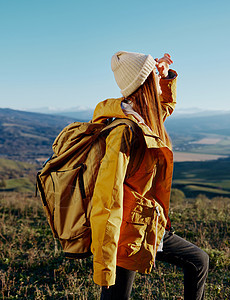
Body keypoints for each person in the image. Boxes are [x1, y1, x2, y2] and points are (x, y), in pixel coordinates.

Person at [89, 51, 209, 300]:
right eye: (152, 72)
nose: (156, 73)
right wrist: (106, 260)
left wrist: (166, 78)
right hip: (126, 233)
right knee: (197, 262)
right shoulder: (125, 131)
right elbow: (107, 198)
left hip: (146, 224)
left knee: (198, 261)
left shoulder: (146, 117)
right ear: (143, 83)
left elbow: (164, 107)